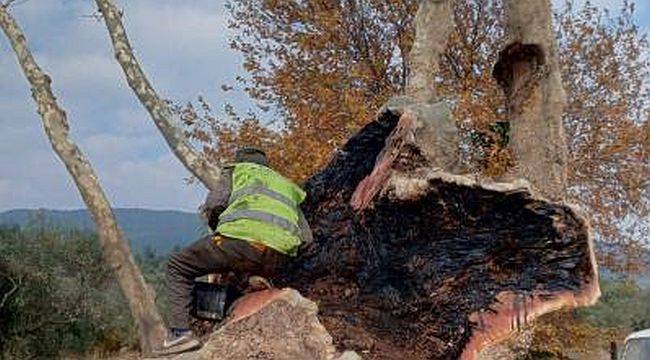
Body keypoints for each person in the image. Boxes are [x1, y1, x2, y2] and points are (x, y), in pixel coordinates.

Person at [158, 147, 312, 355]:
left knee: (178, 266)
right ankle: (254, 279)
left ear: (240, 161)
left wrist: (219, 230)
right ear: (266, 165)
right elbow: (306, 238)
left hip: (238, 242)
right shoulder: (285, 185)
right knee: (243, 264)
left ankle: (179, 335)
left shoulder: (235, 171)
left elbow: (214, 206)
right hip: (279, 255)